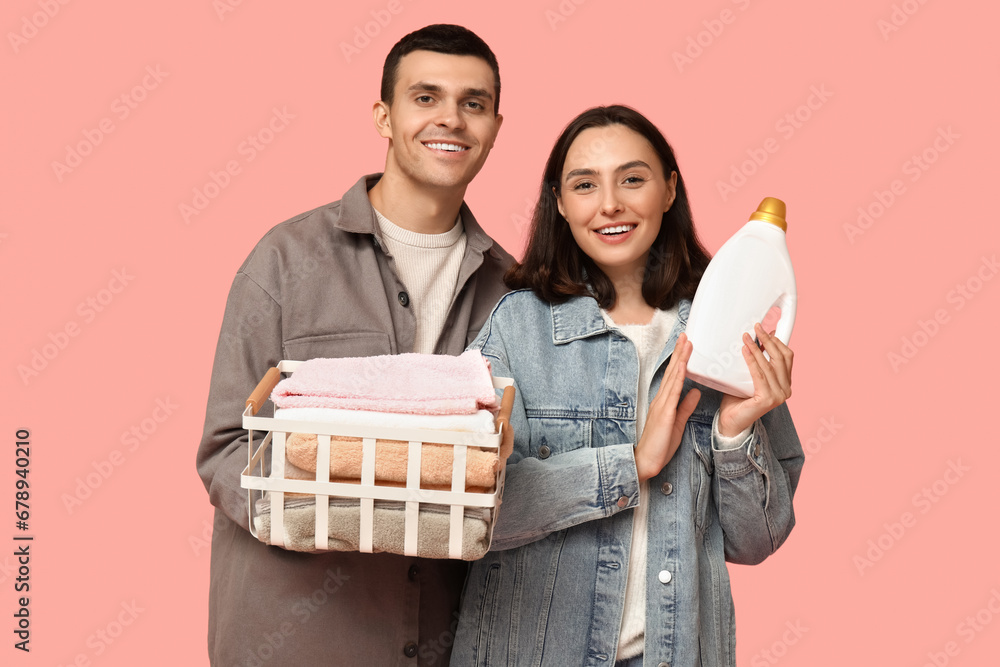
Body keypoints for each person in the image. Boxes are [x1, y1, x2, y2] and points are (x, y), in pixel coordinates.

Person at [196, 24, 510, 665]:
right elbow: (226, 447)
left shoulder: (515, 290)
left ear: (495, 127)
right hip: (293, 640)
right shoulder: (285, 260)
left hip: (439, 641)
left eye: (473, 103)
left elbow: (507, 466)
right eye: (426, 98)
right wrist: (337, 511)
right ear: (384, 116)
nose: (450, 118)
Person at [451, 105, 804, 667]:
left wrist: (736, 434)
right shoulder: (516, 329)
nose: (610, 203)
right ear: (560, 204)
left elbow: (755, 542)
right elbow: (470, 514)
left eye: (632, 179)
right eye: (585, 184)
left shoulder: (728, 331)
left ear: (668, 190)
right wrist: (630, 464)